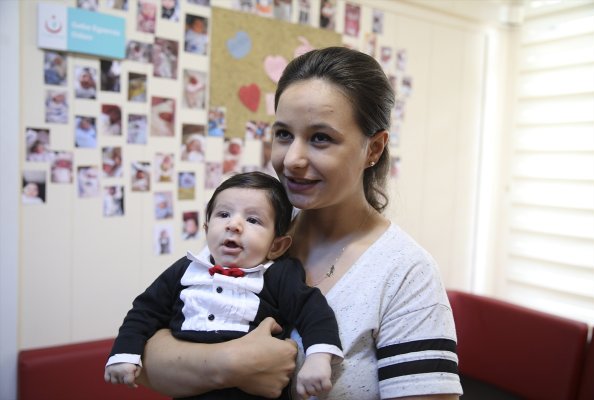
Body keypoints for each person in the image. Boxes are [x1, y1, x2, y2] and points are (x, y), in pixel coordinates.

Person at [138, 47, 462, 399]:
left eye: (321, 138)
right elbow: (145, 363)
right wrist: (232, 364)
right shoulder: (255, 234)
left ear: (374, 148)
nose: (292, 159)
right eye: (283, 134)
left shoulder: (406, 273)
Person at [106, 172, 343, 399]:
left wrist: (318, 358)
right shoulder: (185, 270)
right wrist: (125, 354)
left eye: (252, 220)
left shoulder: (279, 275)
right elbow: (145, 311)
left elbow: (313, 311)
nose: (234, 225)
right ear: (207, 229)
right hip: (192, 385)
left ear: (277, 246)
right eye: (223, 215)